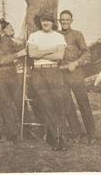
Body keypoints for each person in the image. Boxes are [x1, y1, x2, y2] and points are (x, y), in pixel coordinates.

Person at [27, 11, 68, 150]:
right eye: (43, 20)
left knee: (58, 104)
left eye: (49, 20)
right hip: (38, 72)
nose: (46, 23)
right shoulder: (34, 36)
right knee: (46, 105)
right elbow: (32, 54)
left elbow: (60, 56)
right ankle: (54, 138)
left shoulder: (59, 36)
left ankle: (61, 137)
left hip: (54, 71)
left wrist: (41, 52)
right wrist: (51, 50)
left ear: (53, 22)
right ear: (40, 21)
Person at [59, 10, 96, 145]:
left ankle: (91, 134)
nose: (64, 22)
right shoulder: (56, 35)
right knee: (67, 104)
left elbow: (87, 53)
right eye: (62, 20)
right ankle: (76, 134)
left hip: (75, 73)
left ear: (71, 21)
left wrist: (76, 63)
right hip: (61, 74)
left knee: (83, 103)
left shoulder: (77, 34)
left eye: (67, 20)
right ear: (59, 21)